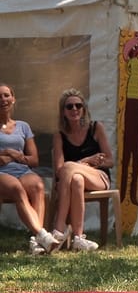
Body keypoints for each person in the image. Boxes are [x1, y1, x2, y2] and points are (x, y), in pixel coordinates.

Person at [51, 88, 115, 252]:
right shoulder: (60, 136)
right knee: (76, 177)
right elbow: (58, 170)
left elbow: (110, 161)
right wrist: (86, 161)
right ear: (63, 112)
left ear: (84, 109)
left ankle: (59, 230)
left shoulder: (95, 128)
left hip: (98, 177)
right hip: (73, 180)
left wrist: (91, 164)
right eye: (69, 107)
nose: (74, 110)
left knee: (69, 168)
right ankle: (79, 237)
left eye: (78, 106)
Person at [0, 83, 59, 255]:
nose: (3, 100)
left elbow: (34, 160)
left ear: (13, 99)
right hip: (2, 171)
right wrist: (4, 153)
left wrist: (18, 156)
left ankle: (36, 242)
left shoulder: (23, 126)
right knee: (17, 189)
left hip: (22, 169)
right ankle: (42, 234)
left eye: (6, 95)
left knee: (38, 186)